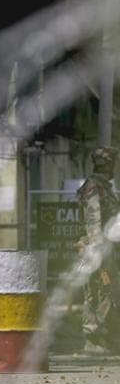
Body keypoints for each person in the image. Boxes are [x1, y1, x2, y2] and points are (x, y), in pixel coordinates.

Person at [76, 145, 120, 354]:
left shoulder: (103, 186)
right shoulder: (94, 186)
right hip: (96, 251)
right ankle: (94, 340)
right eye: (114, 162)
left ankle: (104, 339)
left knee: (106, 292)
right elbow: (93, 220)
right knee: (97, 292)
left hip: (104, 249)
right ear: (108, 164)